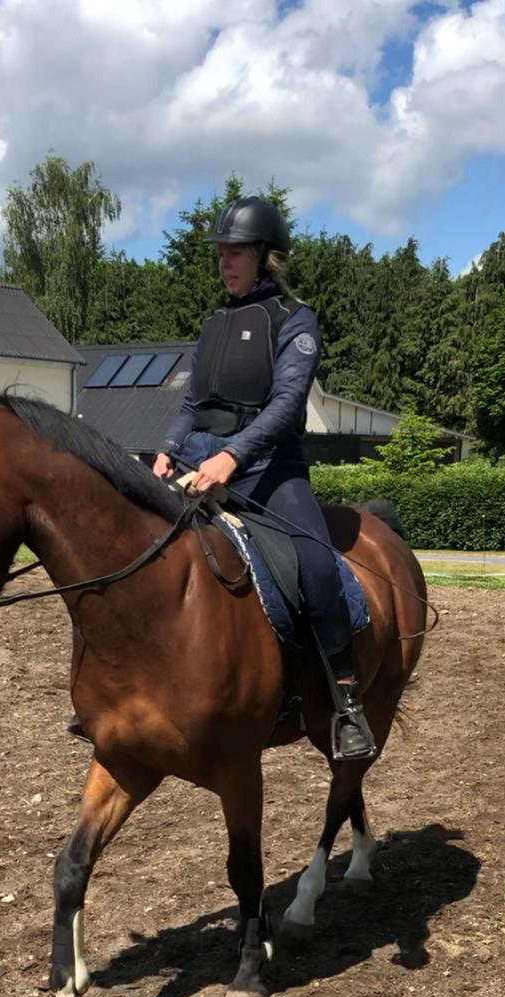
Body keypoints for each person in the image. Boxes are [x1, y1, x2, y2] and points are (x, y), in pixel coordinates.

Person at [153, 196, 375, 760]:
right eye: (221, 253)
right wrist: (168, 449)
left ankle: (346, 703)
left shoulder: (295, 320)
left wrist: (234, 455)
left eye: (236, 252)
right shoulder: (213, 325)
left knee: (317, 565)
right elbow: (193, 403)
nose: (225, 263)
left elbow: (286, 405)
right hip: (196, 457)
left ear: (265, 257)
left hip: (270, 467)